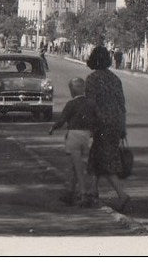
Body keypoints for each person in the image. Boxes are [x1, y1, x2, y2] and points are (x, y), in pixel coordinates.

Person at [85, 45, 129, 210]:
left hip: (101, 124)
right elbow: (122, 105)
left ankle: (122, 195)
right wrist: (123, 127)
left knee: (105, 160)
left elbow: (91, 104)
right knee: (96, 156)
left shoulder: (92, 79)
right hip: (115, 123)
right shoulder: (115, 79)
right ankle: (92, 191)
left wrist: (89, 125)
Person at [50, 77, 99, 206]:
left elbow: (62, 121)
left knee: (77, 167)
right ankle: (70, 193)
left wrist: (53, 128)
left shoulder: (71, 104)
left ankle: (83, 194)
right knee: (77, 165)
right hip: (87, 136)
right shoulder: (91, 103)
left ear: (72, 90)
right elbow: (97, 120)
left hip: (74, 136)